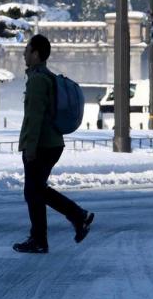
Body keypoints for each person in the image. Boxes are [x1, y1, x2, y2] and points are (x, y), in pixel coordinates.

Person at [14, 34, 94, 254]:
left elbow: (35, 116)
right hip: (49, 143)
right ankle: (43, 237)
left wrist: (30, 148)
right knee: (36, 191)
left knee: (35, 190)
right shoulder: (44, 77)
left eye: (27, 49)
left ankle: (75, 217)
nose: (24, 53)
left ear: (36, 53)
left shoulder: (38, 80)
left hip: (42, 145)